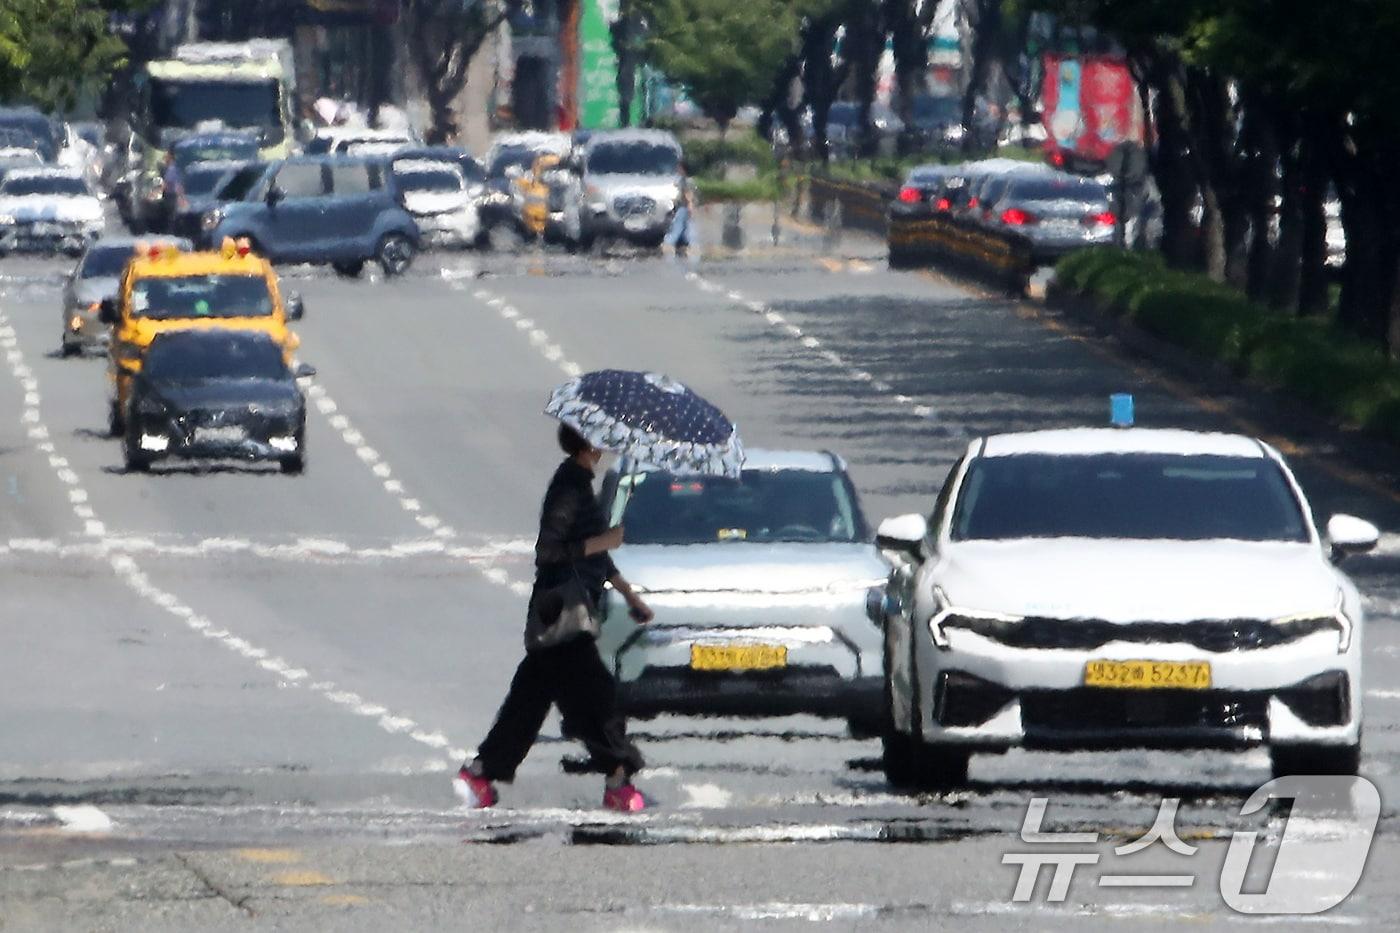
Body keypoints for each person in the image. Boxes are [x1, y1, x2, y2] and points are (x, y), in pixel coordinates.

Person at [455, 425, 655, 812]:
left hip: (562, 615)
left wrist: (630, 595)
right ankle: (618, 779)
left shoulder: (580, 483)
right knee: (597, 699)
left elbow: (597, 557)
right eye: (602, 435)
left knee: (529, 702)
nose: (608, 442)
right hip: (564, 615)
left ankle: (480, 774)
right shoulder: (569, 485)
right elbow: (550, 549)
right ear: (589, 442)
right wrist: (604, 540)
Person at [665, 160, 696, 258]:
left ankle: (669, 244)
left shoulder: (685, 181)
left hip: (684, 207)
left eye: (679, 167)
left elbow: (688, 194)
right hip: (683, 207)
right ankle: (687, 246)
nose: (677, 169)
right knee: (685, 228)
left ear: (683, 169)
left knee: (677, 226)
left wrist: (690, 206)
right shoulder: (683, 180)